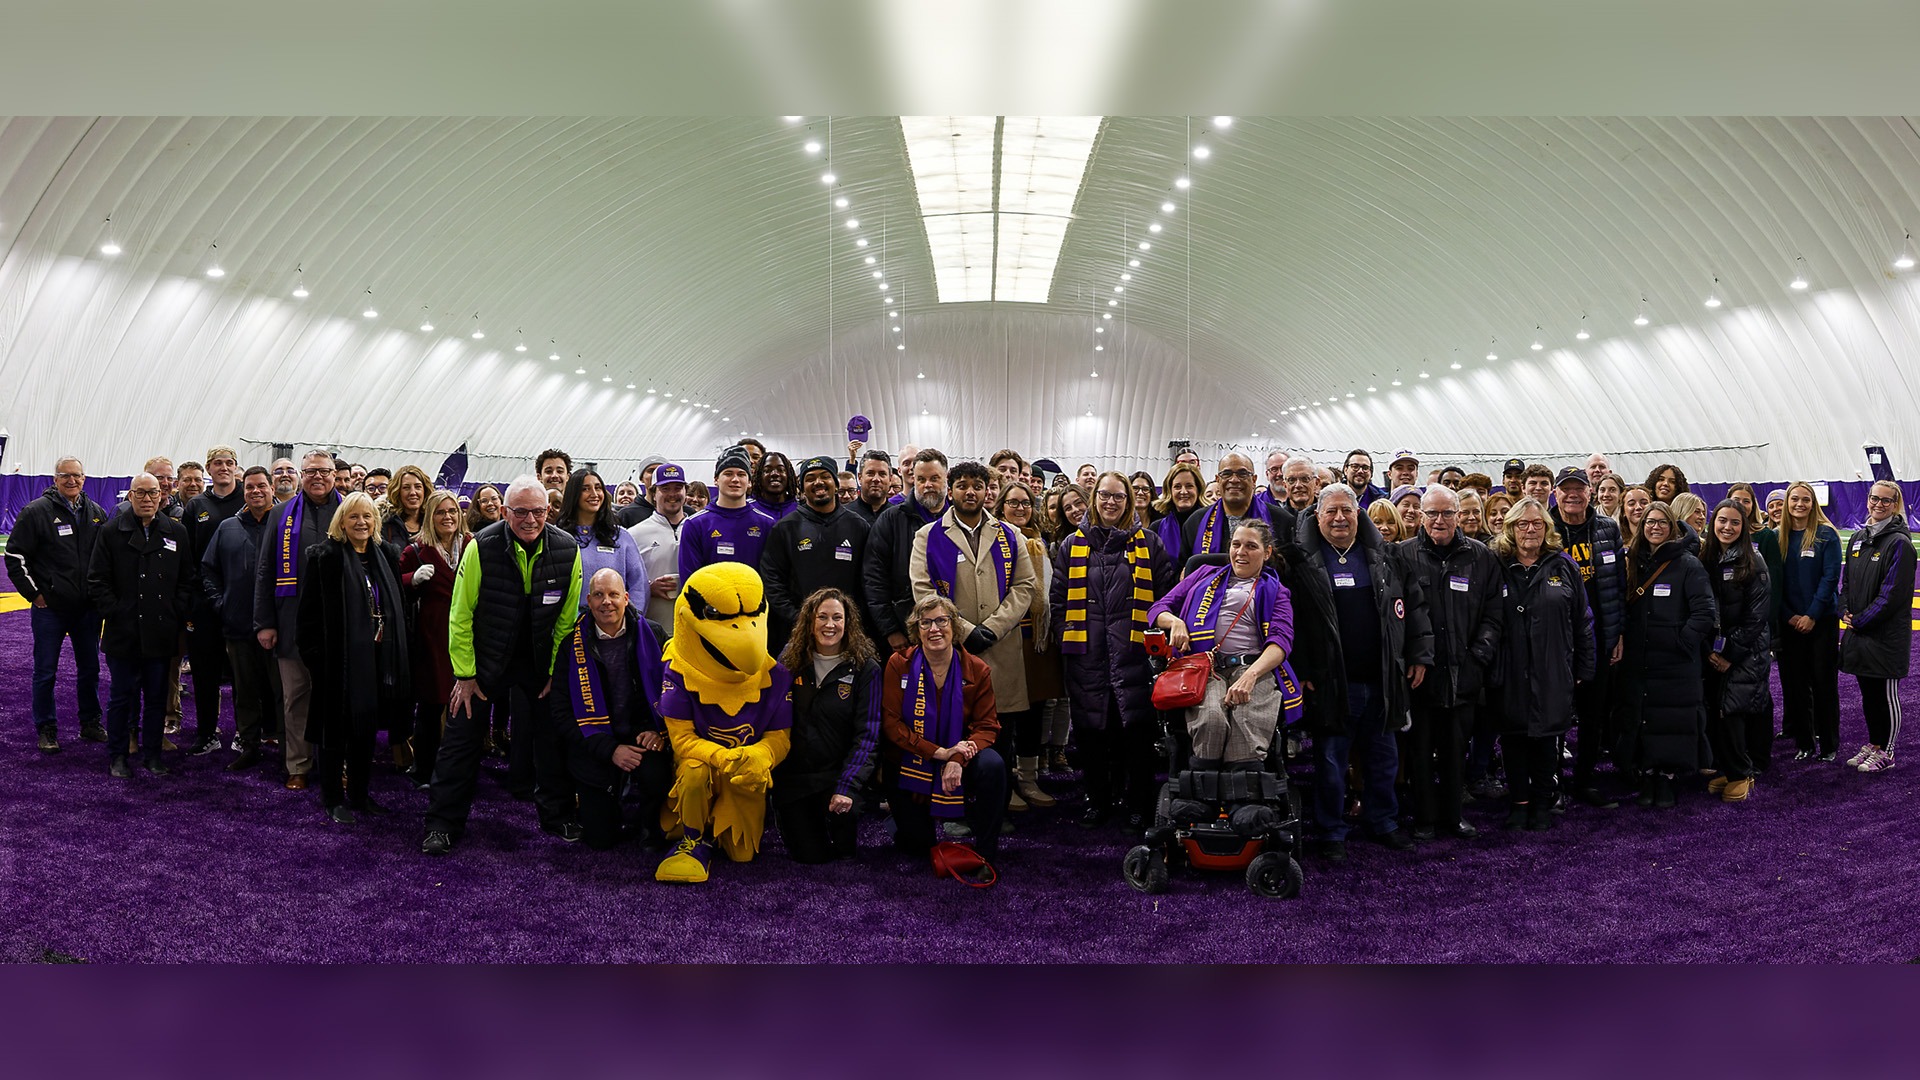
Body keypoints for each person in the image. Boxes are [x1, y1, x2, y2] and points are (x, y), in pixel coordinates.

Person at [422, 476, 583, 855]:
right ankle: (442, 823)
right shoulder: (481, 547)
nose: (530, 520)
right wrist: (465, 675)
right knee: (460, 742)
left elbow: (566, 619)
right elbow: (460, 615)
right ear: (506, 512)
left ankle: (557, 814)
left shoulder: (567, 549)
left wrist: (552, 673)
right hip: (483, 660)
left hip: (537, 661)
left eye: (539, 511)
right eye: (521, 512)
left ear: (549, 511)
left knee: (551, 739)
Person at [1285, 483, 1432, 860]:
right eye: (1330, 511)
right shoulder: (1300, 563)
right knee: (1332, 762)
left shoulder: (1385, 557)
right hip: (1331, 682)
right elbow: (1290, 622)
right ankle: (1331, 831)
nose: (1338, 518)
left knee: (1384, 759)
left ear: (1358, 515)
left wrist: (1418, 654)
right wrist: (1300, 669)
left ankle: (1383, 821)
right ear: (1317, 518)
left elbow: (1413, 608)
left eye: (1346, 511)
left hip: (1382, 679)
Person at [910, 461, 1040, 811]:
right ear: (951, 490)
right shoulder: (928, 536)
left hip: (1003, 646)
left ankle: (999, 795)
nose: (971, 492)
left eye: (978, 486)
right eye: (963, 485)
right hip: (952, 649)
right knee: (956, 724)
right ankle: (956, 799)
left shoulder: (1010, 534)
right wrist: (964, 630)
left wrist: (994, 627)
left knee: (1002, 727)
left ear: (988, 492)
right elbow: (923, 591)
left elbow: (1025, 586)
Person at [652, 561, 792, 883]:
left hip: (743, 772)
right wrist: (721, 756)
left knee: (742, 854)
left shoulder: (776, 675)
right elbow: (682, 740)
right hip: (702, 766)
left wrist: (762, 756)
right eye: (721, 617)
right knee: (693, 770)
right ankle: (692, 838)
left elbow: (780, 736)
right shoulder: (679, 670)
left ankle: (722, 828)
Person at [1051, 471, 1177, 829]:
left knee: (1136, 735)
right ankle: (1098, 800)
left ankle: (1138, 802)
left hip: (1135, 654)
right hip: (1086, 655)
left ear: (1129, 501)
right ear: (1094, 499)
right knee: (1092, 734)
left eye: (1118, 497)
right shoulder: (1071, 545)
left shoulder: (1149, 542)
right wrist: (1069, 638)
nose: (1110, 502)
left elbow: (1164, 596)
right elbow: (1058, 601)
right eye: (1104, 495)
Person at [296, 492, 410, 824]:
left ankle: (360, 794)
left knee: (366, 730)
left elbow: (399, 609)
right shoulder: (325, 557)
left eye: (368, 517)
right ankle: (332, 798)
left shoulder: (386, 555)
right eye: (354, 517)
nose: (361, 523)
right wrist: (319, 662)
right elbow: (307, 618)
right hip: (337, 664)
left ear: (376, 522)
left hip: (378, 660)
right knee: (335, 732)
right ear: (341, 522)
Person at [1147, 521, 1296, 771]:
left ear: (1267, 552)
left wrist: (1251, 675)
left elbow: (1280, 642)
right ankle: (1200, 794)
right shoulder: (1203, 574)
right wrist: (1175, 622)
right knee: (1211, 720)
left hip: (1251, 667)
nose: (1241, 552)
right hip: (1203, 667)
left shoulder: (1276, 591)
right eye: (1236, 545)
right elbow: (1156, 610)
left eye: (1251, 546)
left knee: (1245, 723)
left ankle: (1246, 798)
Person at [1399, 485, 1501, 840]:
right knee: (1421, 750)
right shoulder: (1402, 555)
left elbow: (1493, 613)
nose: (1439, 520)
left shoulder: (1481, 556)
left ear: (1460, 515)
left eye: (1447, 513)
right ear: (1420, 516)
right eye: (1432, 513)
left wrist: (1478, 657)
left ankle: (1454, 815)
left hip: (1465, 672)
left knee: (1457, 750)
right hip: (1420, 673)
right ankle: (1426, 818)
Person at [1490, 496, 1595, 830]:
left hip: (1554, 668)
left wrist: (1584, 667)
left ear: (1547, 528)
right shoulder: (1496, 564)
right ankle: (1519, 802)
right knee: (1514, 738)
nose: (1530, 529)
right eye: (1522, 523)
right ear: (1511, 528)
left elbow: (1583, 620)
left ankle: (1542, 803)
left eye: (1537, 523)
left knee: (1548, 740)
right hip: (1509, 669)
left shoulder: (1563, 565)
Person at [882, 594, 1007, 871]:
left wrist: (955, 759)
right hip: (912, 757)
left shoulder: (977, 669)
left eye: (941, 620)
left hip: (961, 757)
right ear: (916, 630)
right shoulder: (898, 664)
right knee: (917, 848)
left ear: (954, 626)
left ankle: (986, 851)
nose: (934, 629)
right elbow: (891, 725)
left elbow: (987, 726)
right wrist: (938, 753)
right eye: (925, 623)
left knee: (993, 765)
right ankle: (902, 820)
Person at [552, 568, 672, 849]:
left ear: (627, 598)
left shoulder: (653, 634)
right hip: (595, 740)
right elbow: (560, 712)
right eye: (599, 595)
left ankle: (649, 822)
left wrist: (660, 733)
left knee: (657, 777)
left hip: (642, 733)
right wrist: (609, 749)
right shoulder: (571, 645)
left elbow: (675, 691)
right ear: (589, 601)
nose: (607, 601)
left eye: (614, 594)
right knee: (599, 839)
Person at [88, 473, 196, 777]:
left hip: (161, 631)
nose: (147, 499)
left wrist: (174, 610)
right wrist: (117, 611)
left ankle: (152, 754)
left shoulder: (177, 532)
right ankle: (118, 755)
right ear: (130, 496)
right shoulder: (111, 532)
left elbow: (187, 579)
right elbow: (97, 580)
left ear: (162, 496)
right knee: (121, 697)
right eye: (141, 493)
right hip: (124, 632)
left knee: (156, 698)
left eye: (153, 493)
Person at [6, 455, 110, 752]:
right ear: (55, 479)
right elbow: (15, 557)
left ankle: (90, 722)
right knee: (45, 670)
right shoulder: (36, 511)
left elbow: (104, 558)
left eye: (76, 475)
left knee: (90, 669)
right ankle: (47, 728)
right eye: (65, 475)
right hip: (50, 608)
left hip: (87, 610)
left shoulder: (96, 513)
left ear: (84, 478)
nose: (71, 480)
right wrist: (35, 594)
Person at [1617, 500, 1716, 808]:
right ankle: (1647, 773)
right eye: (1649, 522)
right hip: (1639, 660)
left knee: (1673, 720)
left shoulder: (1688, 564)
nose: (1655, 527)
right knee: (1644, 718)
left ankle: (1668, 777)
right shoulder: (1631, 560)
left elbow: (1705, 612)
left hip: (1675, 662)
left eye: (1662, 522)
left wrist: (1680, 642)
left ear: (1672, 527)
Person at [772, 588, 881, 862]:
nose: (829, 625)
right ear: (809, 622)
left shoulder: (866, 668)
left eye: (837, 617)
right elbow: (770, 716)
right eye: (822, 617)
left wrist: (847, 786)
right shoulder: (789, 661)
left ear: (848, 623)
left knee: (843, 853)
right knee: (810, 856)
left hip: (837, 777)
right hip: (795, 779)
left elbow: (868, 736)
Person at [253, 450, 341, 790]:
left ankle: (337, 762)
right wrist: (265, 622)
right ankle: (298, 765)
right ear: (301, 476)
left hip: (339, 623)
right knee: (296, 697)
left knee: (337, 697)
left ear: (335, 474)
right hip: (291, 622)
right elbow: (265, 570)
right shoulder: (280, 514)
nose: (317, 477)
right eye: (311, 471)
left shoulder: (350, 510)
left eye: (324, 471)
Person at [1549, 465, 1628, 807]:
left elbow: (1618, 586)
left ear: (1589, 493)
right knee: (1554, 716)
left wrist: (1617, 632)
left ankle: (1583, 780)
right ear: (1556, 494)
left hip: (1597, 638)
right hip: (1555, 640)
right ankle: (1552, 783)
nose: (1572, 494)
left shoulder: (1608, 529)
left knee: (1593, 716)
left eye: (1578, 488)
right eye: (1565, 489)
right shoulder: (1544, 525)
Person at [201, 466, 282, 770]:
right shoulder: (227, 528)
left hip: (280, 626)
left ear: (272, 488)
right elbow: (208, 569)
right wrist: (222, 604)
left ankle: (290, 749)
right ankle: (249, 745)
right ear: (243, 491)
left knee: (282, 692)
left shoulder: (285, 525)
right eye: (249, 487)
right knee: (245, 691)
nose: (256, 491)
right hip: (238, 625)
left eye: (262, 486)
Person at [996, 479, 1068, 786]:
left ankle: (1029, 779)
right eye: (1013, 503)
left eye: (1026, 503)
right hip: (1007, 636)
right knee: (1006, 715)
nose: (1020, 509)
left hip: (1038, 638)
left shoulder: (1040, 540)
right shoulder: (992, 538)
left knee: (1035, 711)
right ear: (1001, 507)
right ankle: (1006, 780)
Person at [1839, 481, 1913, 774]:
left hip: (1885, 636)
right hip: (1859, 632)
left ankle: (1888, 751)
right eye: (1874, 499)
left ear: (1895, 505)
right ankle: (1874, 743)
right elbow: (1847, 583)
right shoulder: (1858, 537)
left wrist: (1860, 619)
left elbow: (1892, 595)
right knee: (1868, 693)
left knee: (1885, 694)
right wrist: (1843, 608)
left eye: (1886, 501)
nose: (1878, 505)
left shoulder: (1900, 544)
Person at [1701, 500, 1773, 798]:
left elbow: (1756, 618)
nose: (1727, 527)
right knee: (1718, 711)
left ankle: (1742, 773)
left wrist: (1728, 654)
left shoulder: (1753, 563)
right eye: (1722, 521)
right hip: (1716, 651)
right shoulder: (1706, 557)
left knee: (1732, 711)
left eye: (1734, 522)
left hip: (1746, 652)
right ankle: (1731, 769)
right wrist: (1710, 650)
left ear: (1743, 527)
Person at [398, 489, 469, 789]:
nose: (448, 517)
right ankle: (423, 768)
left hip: (466, 634)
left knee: (464, 706)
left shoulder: (472, 546)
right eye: (440, 512)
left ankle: (459, 768)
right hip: (431, 636)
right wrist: (410, 580)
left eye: (452, 511)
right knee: (430, 705)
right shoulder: (416, 550)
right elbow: (393, 587)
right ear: (430, 516)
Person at [763, 456, 872, 649]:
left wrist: (851, 620)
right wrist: (800, 619)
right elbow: (772, 582)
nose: (818, 482)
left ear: (836, 484)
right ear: (801, 488)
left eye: (825, 476)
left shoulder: (859, 527)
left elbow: (868, 580)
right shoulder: (785, 528)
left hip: (847, 632)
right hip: (798, 634)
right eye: (810, 478)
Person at [180, 445, 243, 756]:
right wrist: (196, 596)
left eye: (229, 462)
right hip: (205, 604)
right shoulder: (197, 506)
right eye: (217, 463)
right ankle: (206, 732)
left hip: (242, 603)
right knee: (204, 674)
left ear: (235, 467)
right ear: (209, 468)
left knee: (245, 674)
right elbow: (188, 556)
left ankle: (247, 733)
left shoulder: (249, 497)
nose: (224, 467)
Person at [1772, 481, 1842, 761]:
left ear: (1813, 504)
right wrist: (1790, 616)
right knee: (1795, 684)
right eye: (1794, 500)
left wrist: (1812, 614)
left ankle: (1829, 745)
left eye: (1805, 500)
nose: (1799, 504)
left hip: (1821, 621)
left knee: (1824, 683)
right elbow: (1776, 583)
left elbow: (1830, 578)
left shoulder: (1826, 535)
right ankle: (1804, 742)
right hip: (1790, 623)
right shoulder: (1777, 537)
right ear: (1787, 504)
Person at [864, 448, 949, 654]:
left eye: (934, 478)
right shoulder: (891, 520)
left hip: (953, 628)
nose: (927, 485)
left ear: (946, 478)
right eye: (921, 479)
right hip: (905, 629)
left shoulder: (958, 520)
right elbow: (874, 578)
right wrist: (890, 629)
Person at [678, 446, 778, 583]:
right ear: (716, 480)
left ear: (749, 482)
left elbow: (771, 576)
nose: (735, 479)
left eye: (741, 474)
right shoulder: (695, 524)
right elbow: (690, 578)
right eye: (728, 473)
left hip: (754, 602)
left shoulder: (766, 524)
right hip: (710, 602)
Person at [560, 466, 650, 616]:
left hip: (616, 625)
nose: (594, 494)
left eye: (598, 488)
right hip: (569, 627)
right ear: (573, 494)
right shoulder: (559, 537)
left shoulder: (621, 536)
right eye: (586, 489)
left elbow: (639, 584)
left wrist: (631, 619)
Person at [1184, 453, 1290, 560]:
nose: (1234, 480)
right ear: (1218, 480)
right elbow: (1186, 570)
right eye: (1226, 474)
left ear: (1254, 480)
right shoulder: (1196, 522)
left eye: (1242, 473)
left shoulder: (1281, 521)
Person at [628, 462, 690, 631]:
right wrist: (647, 588)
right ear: (654, 494)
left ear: (685, 492)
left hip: (692, 629)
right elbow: (624, 581)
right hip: (652, 630)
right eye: (665, 489)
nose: (672, 494)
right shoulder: (634, 534)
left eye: (678, 488)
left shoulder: (697, 529)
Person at [1152, 462, 1207, 566]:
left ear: (1198, 489)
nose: (1183, 491)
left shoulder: (1211, 525)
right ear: (1169, 491)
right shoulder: (1156, 528)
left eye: (1189, 486)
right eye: (1177, 486)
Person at [381, 465, 432, 547]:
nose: (413, 492)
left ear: (425, 490)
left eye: (418, 487)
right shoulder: (386, 524)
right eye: (406, 487)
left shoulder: (433, 523)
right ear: (397, 492)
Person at [847, 449, 895, 525]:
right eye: (870, 473)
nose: (876, 479)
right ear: (860, 478)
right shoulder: (844, 516)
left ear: (890, 479)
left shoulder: (899, 517)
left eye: (882, 474)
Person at [615, 458, 665, 528]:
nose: (655, 475)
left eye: (659, 470)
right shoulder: (626, 514)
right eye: (651, 471)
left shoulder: (682, 512)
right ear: (641, 478)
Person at [751, 450, 799, 520]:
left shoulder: (800, 509)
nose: (774, 474)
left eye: (781, 469)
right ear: (759, 476)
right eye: (767, 470)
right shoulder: (749, 508)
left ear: (789, 475)